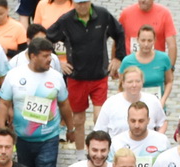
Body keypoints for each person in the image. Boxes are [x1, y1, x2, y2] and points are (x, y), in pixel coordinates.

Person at [48, 4, 125, 135]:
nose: (82, 6)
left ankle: (98, 148)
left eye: (85, 2)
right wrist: (58, 62)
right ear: (74, 3)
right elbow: (48, 38)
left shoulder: (103, 15)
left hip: (99, 74)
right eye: (79, 3)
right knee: (78, 118)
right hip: (77, 76)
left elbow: (119, 32)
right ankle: (79, 154)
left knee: (99, 116)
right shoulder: (66, 20)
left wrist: (118, 57)